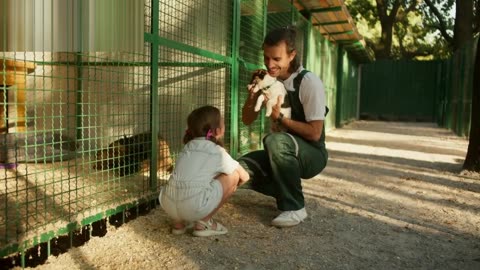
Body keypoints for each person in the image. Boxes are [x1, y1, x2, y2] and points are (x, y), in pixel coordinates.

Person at [238, 26, 328, 227]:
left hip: (312, 154)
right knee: (239, 168)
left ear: (292, 55)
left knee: (274, 141)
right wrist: (252, 98)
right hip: (280, 150)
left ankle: (295, 207)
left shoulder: (308, 82)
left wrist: (281, 120)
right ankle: (284, 187)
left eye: (276, 59)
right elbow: (247, 119)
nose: (270, 64)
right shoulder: (269, 79)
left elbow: (315, 133)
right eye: (266, 57)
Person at [159, 105, 250, 237]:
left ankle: (178, 224)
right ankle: (203, 223)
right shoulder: (217, 151)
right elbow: (245, 176)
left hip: (168, 204)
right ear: (218, 131)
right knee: (233, 175)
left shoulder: (186, 148)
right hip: (193, 206)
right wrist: (229, 188)